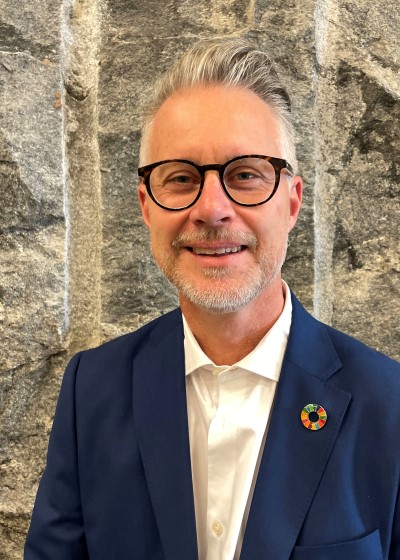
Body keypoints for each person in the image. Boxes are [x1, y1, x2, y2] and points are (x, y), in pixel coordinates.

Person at [25, 38, 400, 560]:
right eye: (180, 178)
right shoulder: (92, 393)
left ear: (291, 202)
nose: (212, 208)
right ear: (146, 207)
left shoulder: (389, 406)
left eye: (245, 174)